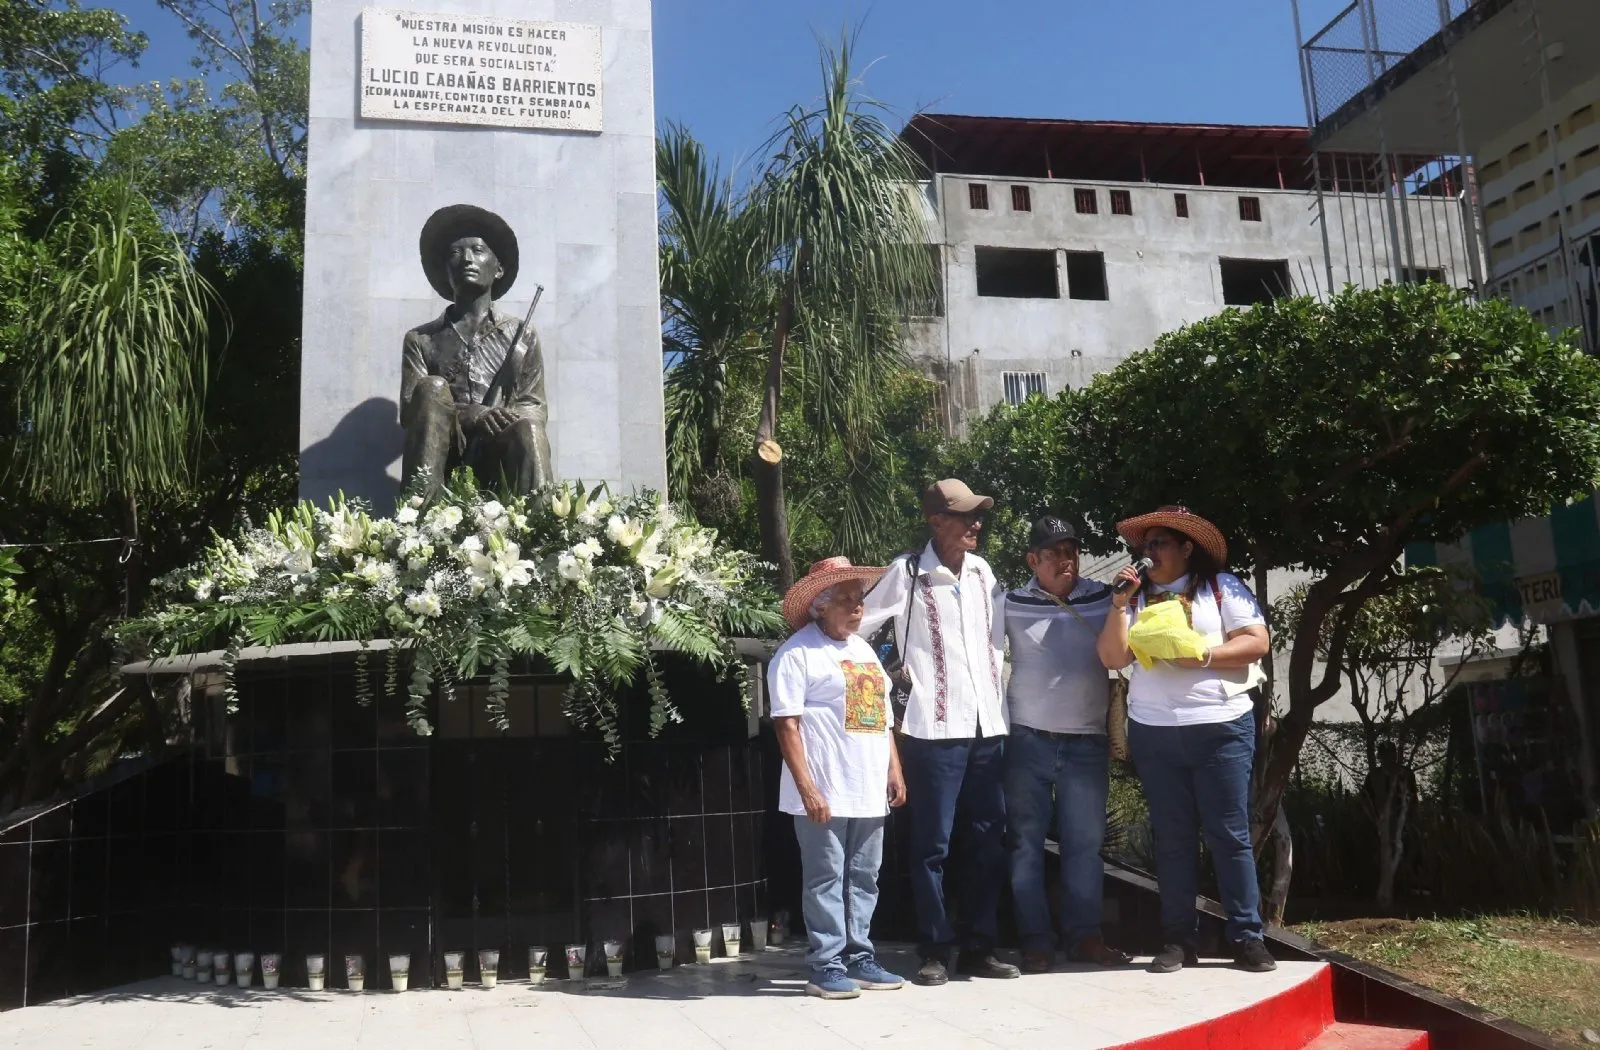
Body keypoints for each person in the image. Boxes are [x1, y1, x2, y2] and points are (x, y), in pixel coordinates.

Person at [1095, 505, 1276, 974]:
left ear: (1186, 548)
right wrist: (1118, 605)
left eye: (1158, 543)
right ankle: (1178, 940)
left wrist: (1204, 657)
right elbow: (1113, 657)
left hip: (1220, 726)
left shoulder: (1221, 587)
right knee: (1172, 839)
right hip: (1156, 731)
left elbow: (1257, 642)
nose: (1148, 552)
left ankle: (1247, 937)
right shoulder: (1133, 599)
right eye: (1145, 545)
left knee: (1228, 834)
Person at [860, 479, 1019, 986]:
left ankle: (978, 946)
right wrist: (888, 682)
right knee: (932, 845)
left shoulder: (983, 573)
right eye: (966, 516)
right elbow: (860, 630)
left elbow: (995, 645)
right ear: (935, 521)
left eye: (978, 516)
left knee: (988, 841)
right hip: (933, 729)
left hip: (987, 728)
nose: (976, 524)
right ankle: (934, 947)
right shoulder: (906, 573)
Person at [771, 556, 909, 1000]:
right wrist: (808, 787)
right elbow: (786, 724)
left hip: (867, 785)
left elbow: (883, 716)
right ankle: (825, 964)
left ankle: (859, 956)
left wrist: (894, 767)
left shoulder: (864, 650)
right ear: (819, 605)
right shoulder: (796, 653)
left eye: (858, 599)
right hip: (824, 788)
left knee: (865, 875)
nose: (857, 608)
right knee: (826, 876)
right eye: (846, 600)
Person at [997, 516, 1131, 973]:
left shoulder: (1101, 598)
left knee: (1084, 846)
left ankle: (1084, 938)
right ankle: (1035, 941)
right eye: (1053, 552)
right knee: (1025, 845)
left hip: (1086, 744)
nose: (1064, 559)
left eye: (1070, 550)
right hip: (1027, 741)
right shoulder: (1009, 603)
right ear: (1032, 560)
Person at [400, 204, 553, 502]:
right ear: (446, 269)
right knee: (431, 387)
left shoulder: (521, 336)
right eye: (455, 253)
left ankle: (544, 535)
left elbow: (534, 405)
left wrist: (500, 418)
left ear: (498, 268)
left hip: (499, 451)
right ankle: (420, 527)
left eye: (478, 250)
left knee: (531, 428)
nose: (467, 259)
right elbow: (409, 412)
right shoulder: (421, 339)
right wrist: (471, 415)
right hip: (444, 453)